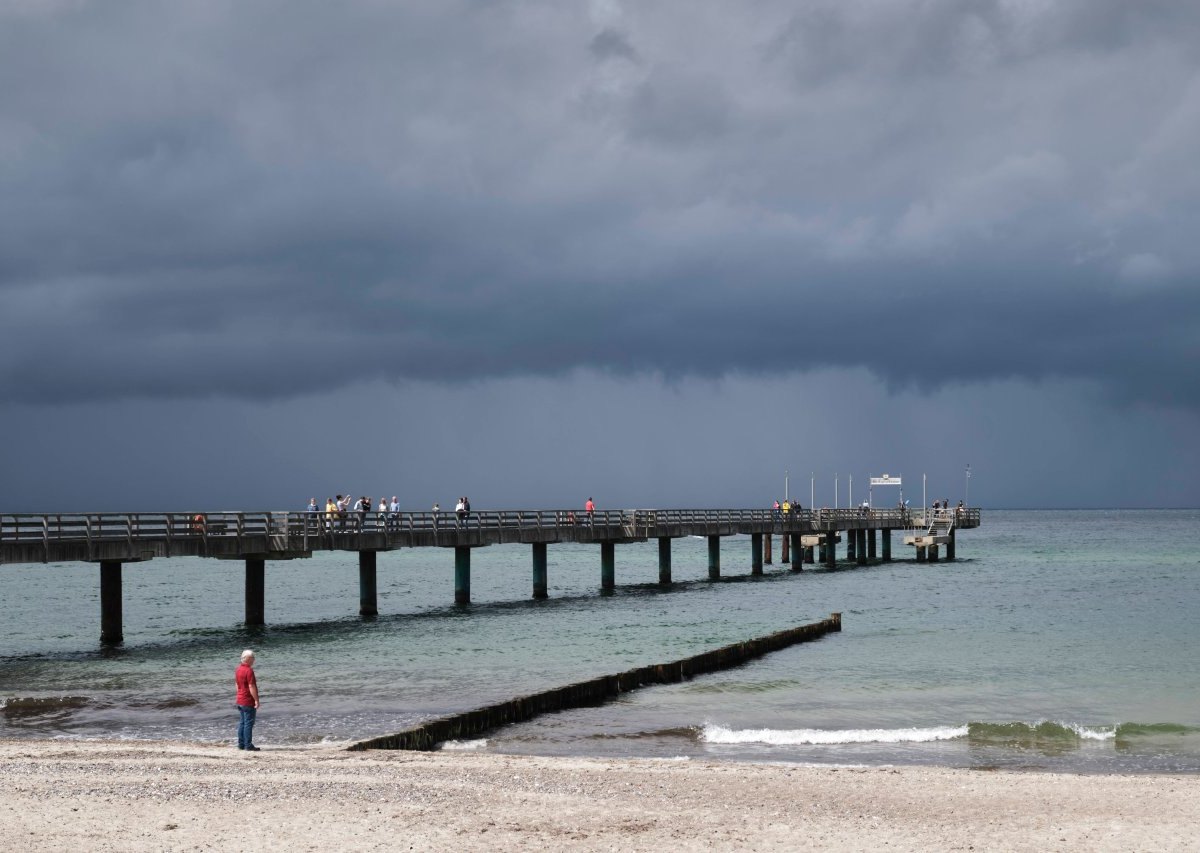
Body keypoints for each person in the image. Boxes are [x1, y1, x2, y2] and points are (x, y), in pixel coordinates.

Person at [235, 649, 260, 751]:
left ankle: (241, 744)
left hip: (240, 699)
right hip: (247, 700)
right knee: (248, 723)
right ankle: (248, 745)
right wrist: (256, 700)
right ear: (248, 659)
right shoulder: (249, 670)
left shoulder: (238, 669)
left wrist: (239, 694)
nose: (254, 660)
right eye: (253, 658)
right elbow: (251, 686)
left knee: (242, 722)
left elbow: (237, 684)